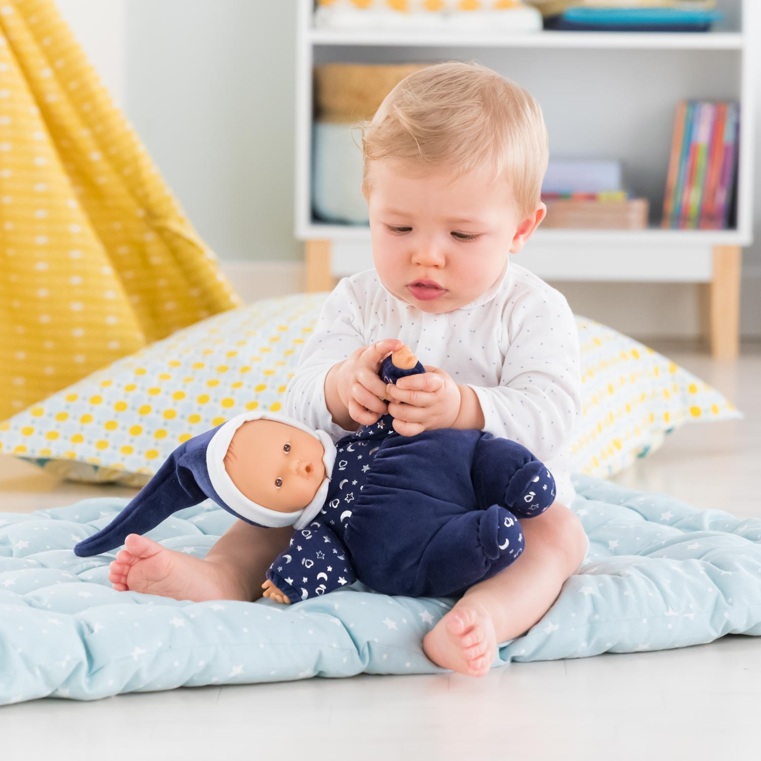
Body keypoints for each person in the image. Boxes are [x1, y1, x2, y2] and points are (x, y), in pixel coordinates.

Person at [107, 62, 587, 677]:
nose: (426, 253)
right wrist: (340, 389)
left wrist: (466, 409)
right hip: (355, 504)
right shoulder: (359, 300)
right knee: (281, 492)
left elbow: (554, 417)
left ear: (521, 228)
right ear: (370, 204)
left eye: (463, 234)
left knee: (560, 536)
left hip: (488, 511)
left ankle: (484, 616)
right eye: (398, 226)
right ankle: (222, 575)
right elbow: (301, 399)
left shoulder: (533, 311)